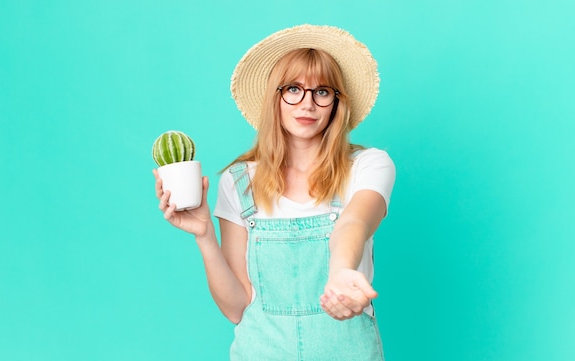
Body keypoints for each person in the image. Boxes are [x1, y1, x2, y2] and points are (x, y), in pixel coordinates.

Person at [154, 24, 396, 360]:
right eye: (293, 89)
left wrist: (341, 271)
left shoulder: (368, 165)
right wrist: (205, 235)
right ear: (275, 98)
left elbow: (354, 222)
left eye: (322, 91)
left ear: (337, 103)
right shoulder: (239, 182)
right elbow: (237, 308)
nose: (307, 104)